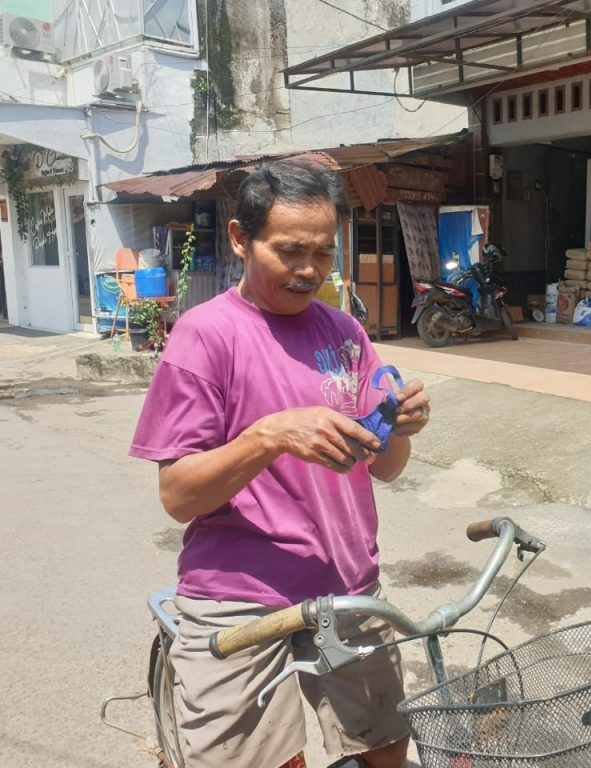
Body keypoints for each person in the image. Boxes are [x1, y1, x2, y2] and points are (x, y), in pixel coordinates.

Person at [130, 159, 430, 768]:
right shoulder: (204, 336)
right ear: (242, 239)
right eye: (290, 251)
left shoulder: (346, 332)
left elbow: (386, 468)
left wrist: (399, 427)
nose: (309, 271)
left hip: (348, 583)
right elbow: (179, 497)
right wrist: (266, 437)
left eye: (323, 253)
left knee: (386, 749)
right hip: (239, 594)